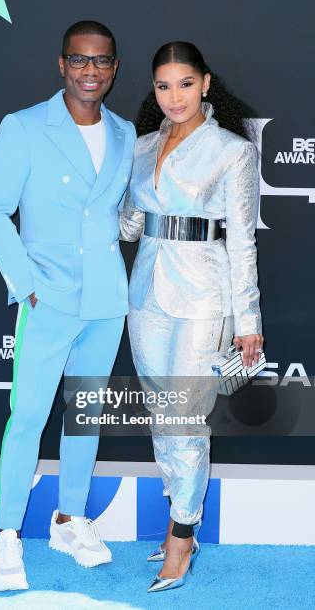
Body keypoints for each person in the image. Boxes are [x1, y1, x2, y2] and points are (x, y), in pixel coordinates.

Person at [0, 20, 136, 591]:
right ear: (61, 64)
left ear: (114, 69)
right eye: (79, 60)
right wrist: (26, 283)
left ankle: (69, 519)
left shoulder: (123, 132)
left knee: (84, 414)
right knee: (29, 417)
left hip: (105, 298)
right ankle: (8, 533)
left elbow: (121, 214)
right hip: (48, 297)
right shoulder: (22, 128)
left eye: (102, 62)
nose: (90, 71)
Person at [120, 41, 264, 593]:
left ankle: (182, 532)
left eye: (185, 83)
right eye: (162, 85)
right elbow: (130, 227)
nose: (173, 96)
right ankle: (179, 514)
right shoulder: (141, 145)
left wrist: (246, 318)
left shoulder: (232, 151)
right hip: (146, 292)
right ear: (153, 89)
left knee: (184, 416)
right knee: (161, 415)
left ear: (205, 83)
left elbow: (244, 241)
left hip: (204, 294)